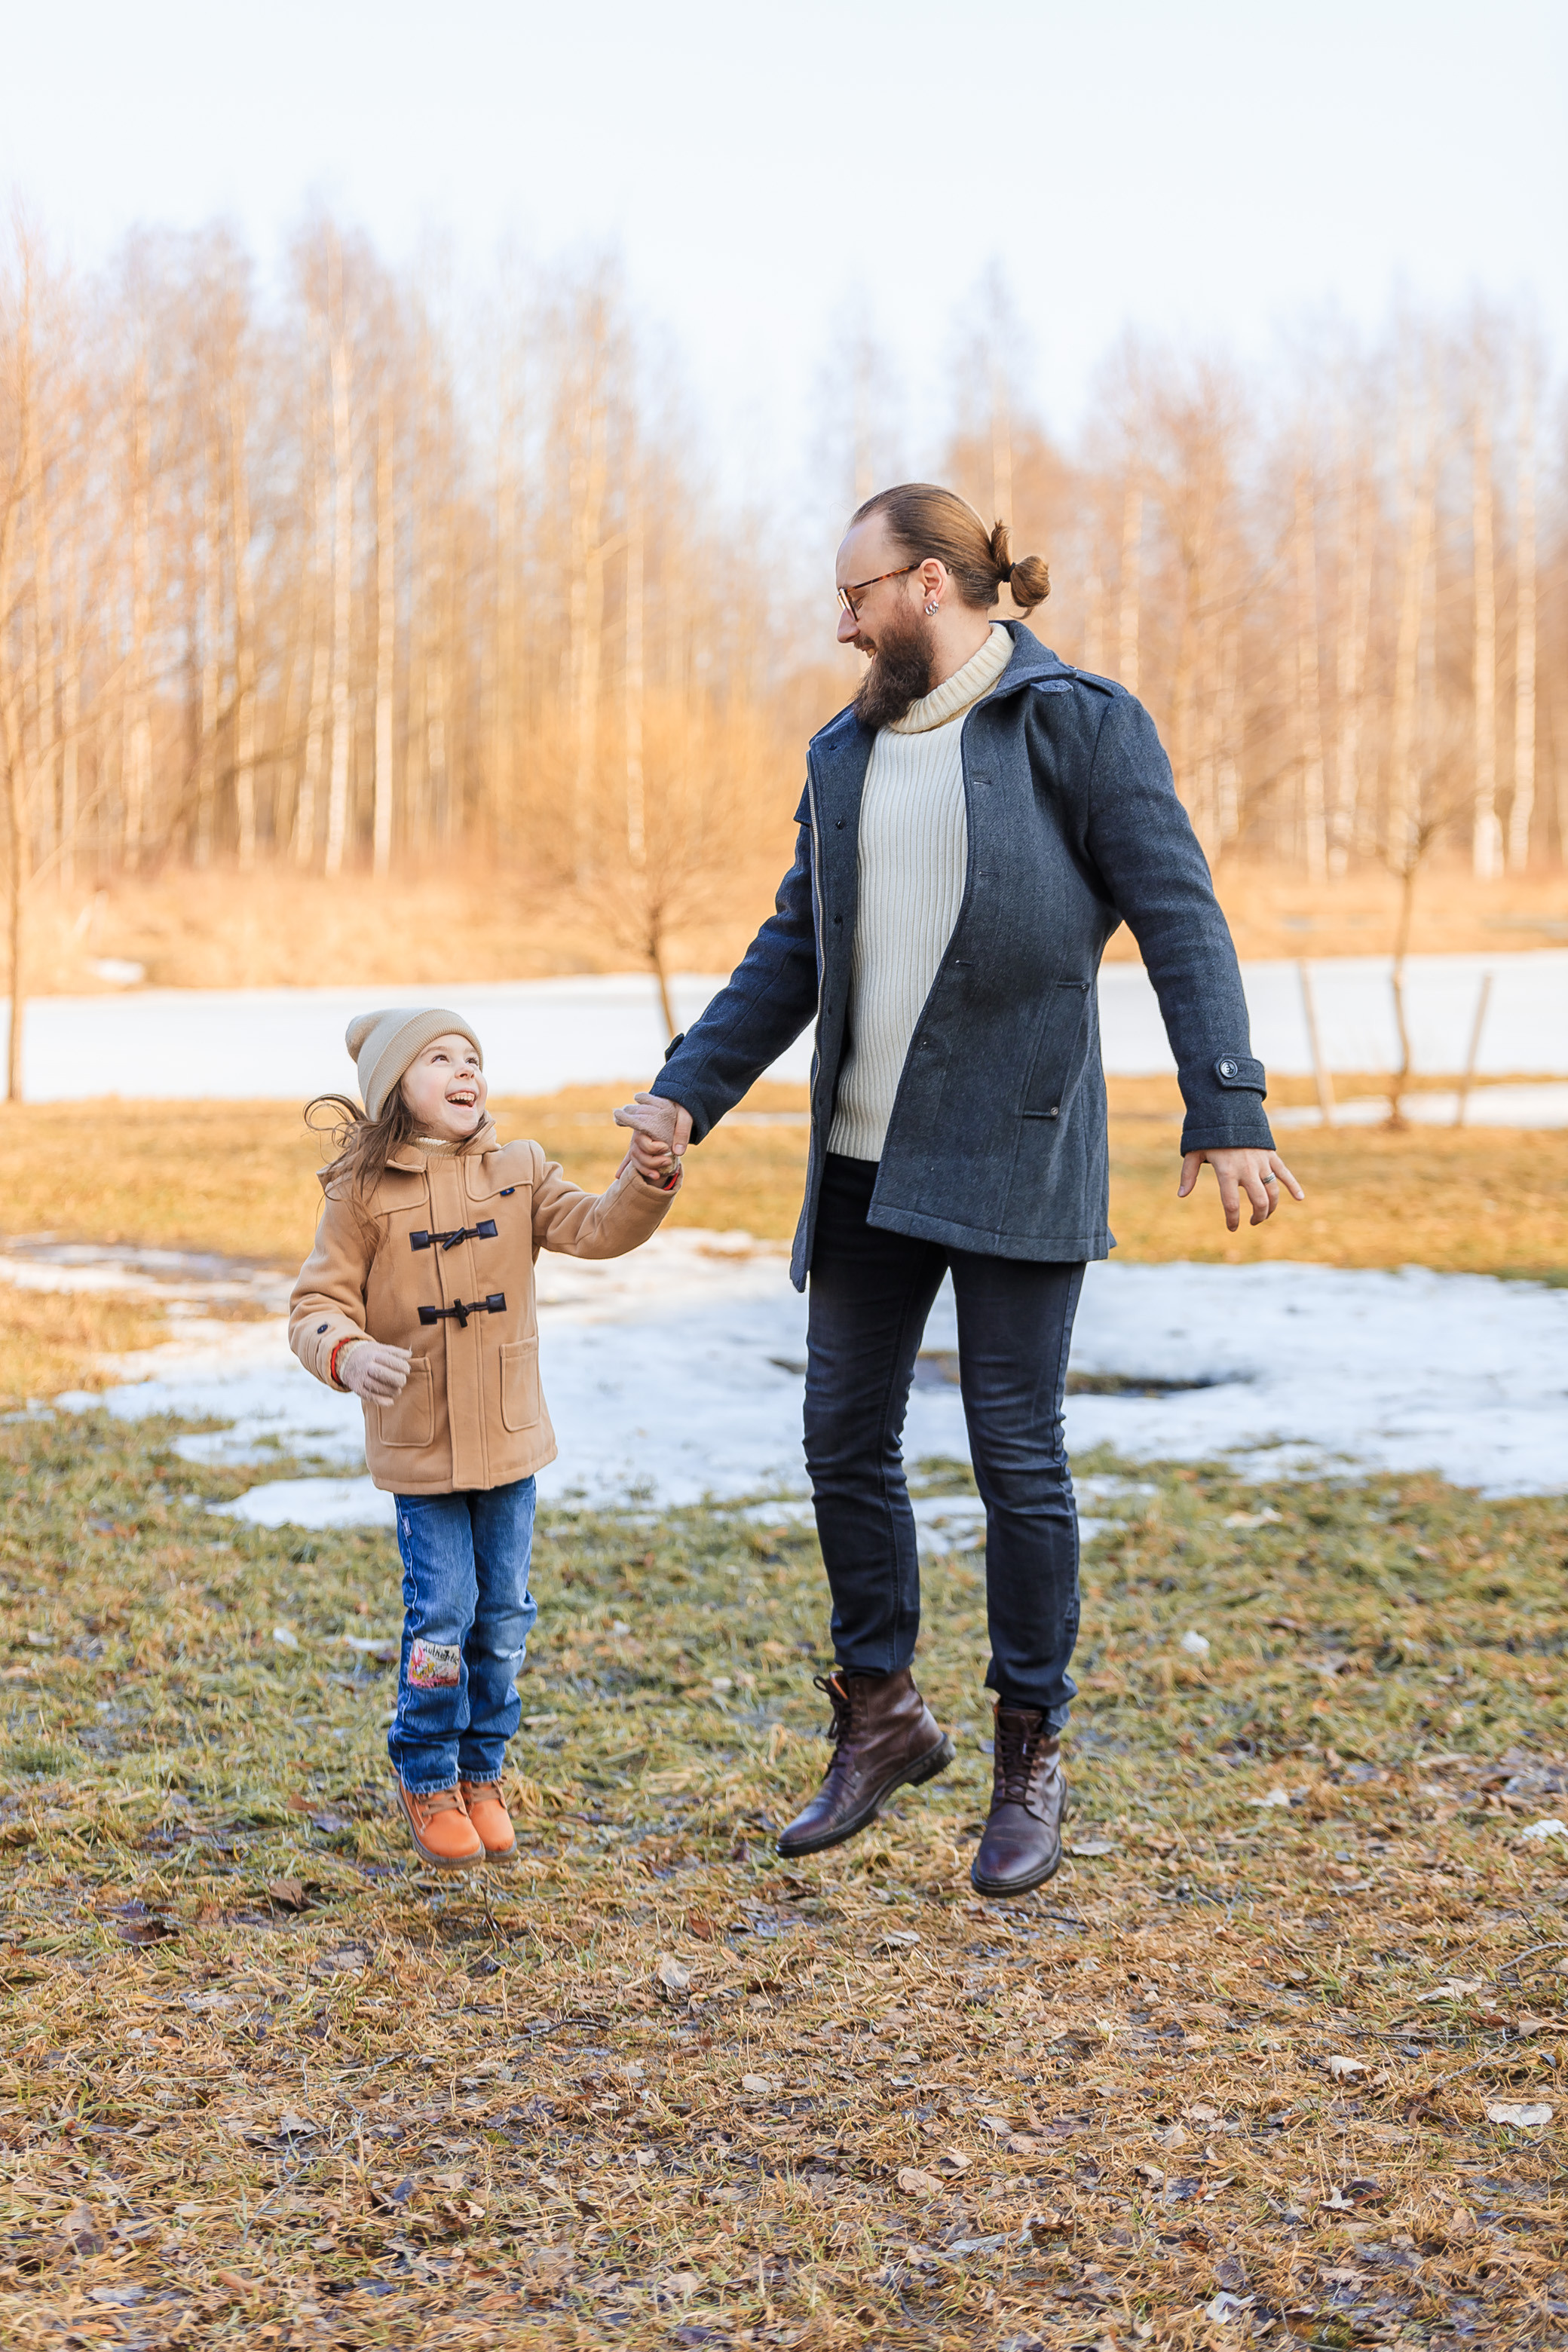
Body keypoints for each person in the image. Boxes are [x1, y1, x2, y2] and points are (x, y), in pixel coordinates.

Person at [614, 482, 1302, 1897]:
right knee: (840, 1437)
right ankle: (883, 1715)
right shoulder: (846, 753)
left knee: (1015, 1453)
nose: (843, 620)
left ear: (931, 584)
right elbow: (795, 948)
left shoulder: (1078, 723)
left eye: (857, 592)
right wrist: (687, 1087)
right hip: (863, 1157)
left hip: (1016, 1144)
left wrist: (1226, 1102)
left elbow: (1178, 911)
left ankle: (1026, 1758)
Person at [291, 1009, 679, 1870]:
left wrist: (646, 1178)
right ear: (398, 1085)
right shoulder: (361, 1195)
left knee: (501, 1618)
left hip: (508, 1441)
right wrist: (347, 1355)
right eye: (440, 1057)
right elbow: (314, 1309)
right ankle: (425, 1772)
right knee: (441, 1619)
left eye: (472, 1056)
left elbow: (598, 1227)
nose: (465, 1069)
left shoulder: (519, 1171)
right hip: (421, 1447)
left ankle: (482, 1772)